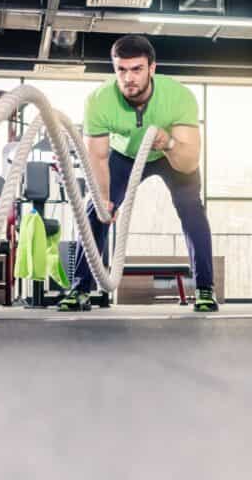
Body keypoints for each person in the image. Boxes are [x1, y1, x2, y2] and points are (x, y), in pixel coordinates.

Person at [62, 34, 218, 312]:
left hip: (171, 153)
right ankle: (79, 290)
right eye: (121, 70)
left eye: (136, 69)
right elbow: (97, 157)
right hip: (124, 156)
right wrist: (105, 199)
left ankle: (205, 289)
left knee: (191, 209)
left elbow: (190, 161)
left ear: (152, 68)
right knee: (94, 210)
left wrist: (168, 142)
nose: (128, 78)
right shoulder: (99, 100)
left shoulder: (179, 97)